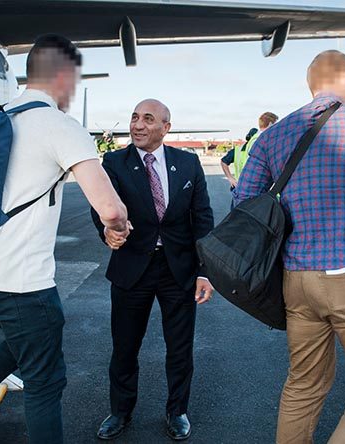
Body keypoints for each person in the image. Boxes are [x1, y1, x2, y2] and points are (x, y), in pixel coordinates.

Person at [0, 34, 130, 444]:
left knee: (23, 344)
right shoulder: (60, 126)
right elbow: (112, 209)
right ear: (65, 76)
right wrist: (116, 228)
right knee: (45, 379)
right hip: (21, 283)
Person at [234, 50, 345, 444]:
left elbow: (244, 203)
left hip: (296, 280)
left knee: (304, 384)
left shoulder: (274, 135)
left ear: (311, 84)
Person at [91, 99, 214, 441]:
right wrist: (107, 230)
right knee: (125, 347)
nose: (137, 125)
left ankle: (177, 412)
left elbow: (202, 219)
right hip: (133, 269)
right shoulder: (114, 162)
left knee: (179, 348)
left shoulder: (187, 164)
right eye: (134, 117)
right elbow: (101, 207)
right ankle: (120, 412)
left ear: (165, 127)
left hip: (179, 270)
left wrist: (204, 272)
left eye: (147, 119)